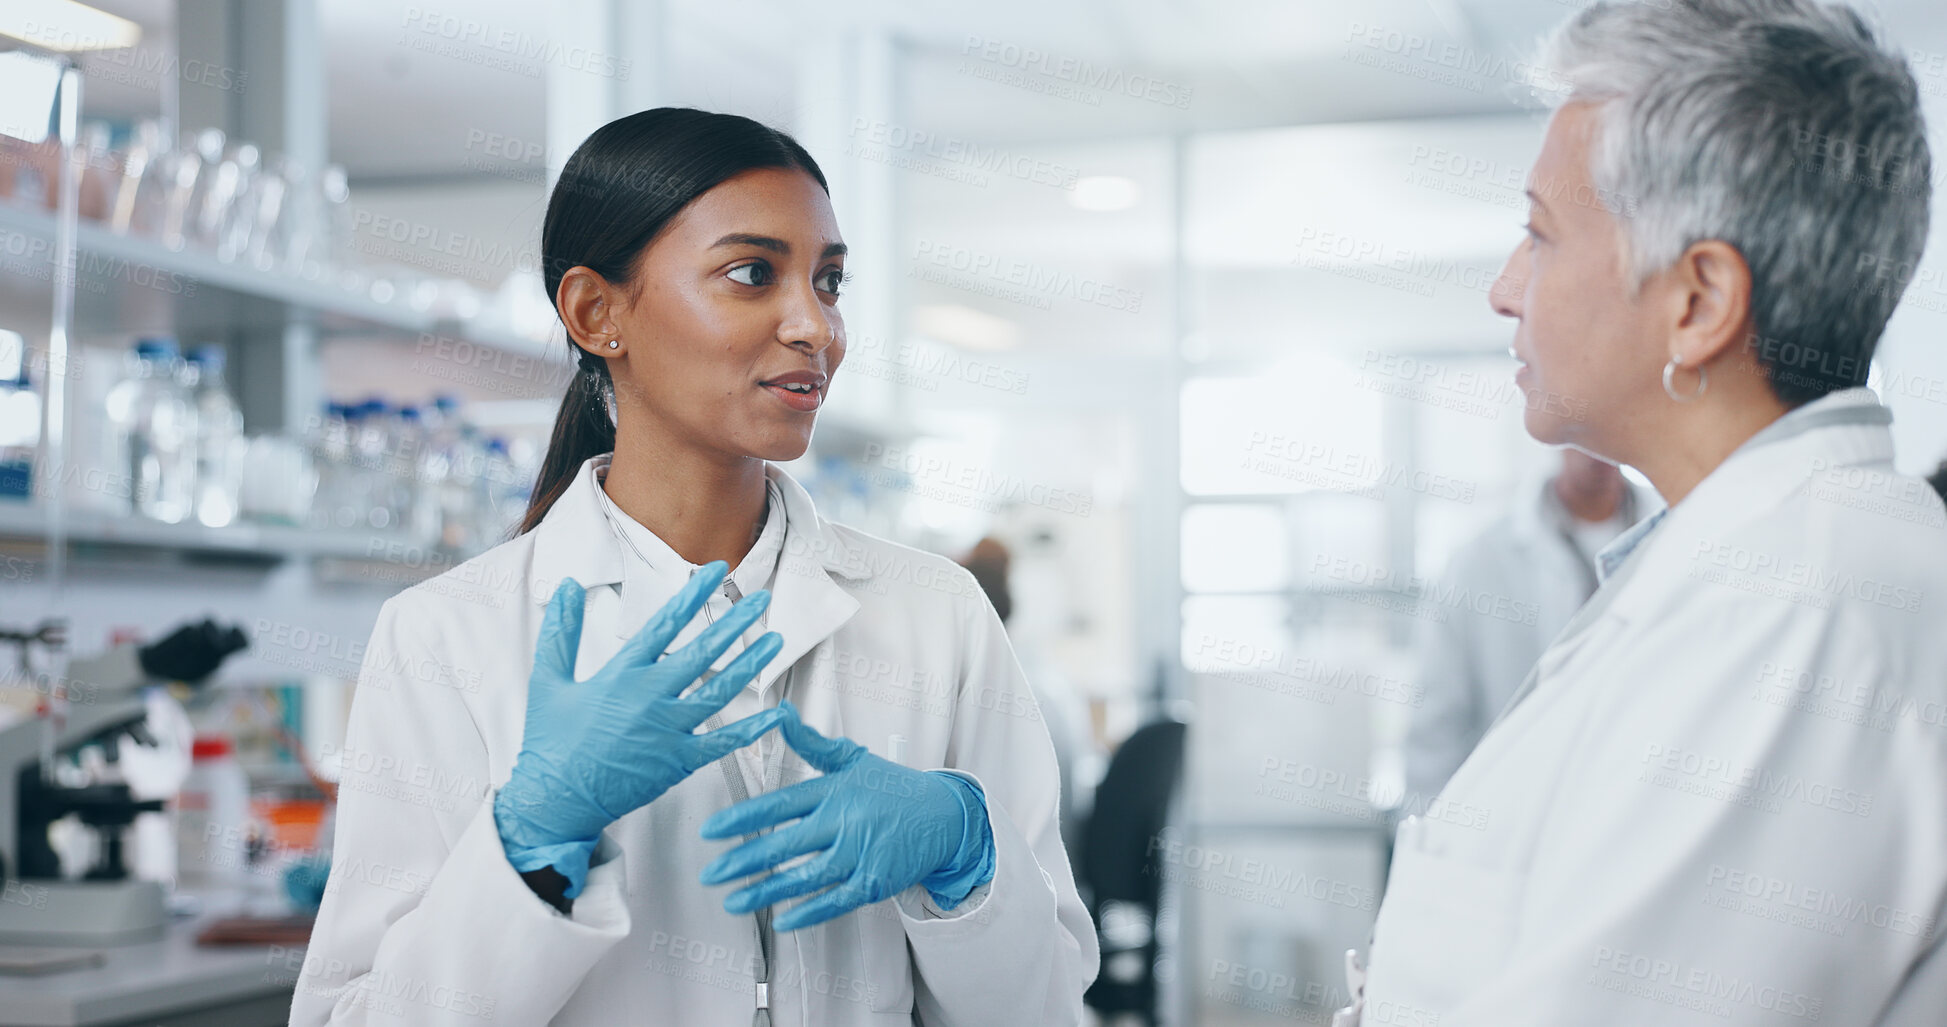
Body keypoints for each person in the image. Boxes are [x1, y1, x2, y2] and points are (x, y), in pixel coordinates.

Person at [291, 108, 1095, 1027]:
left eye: (828, 282)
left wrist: (968, 858)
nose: (815, 327)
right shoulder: (448, 633)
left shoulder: (933, 614)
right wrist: (529, 848)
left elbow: (1044, 1011)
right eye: (753, 273)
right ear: (598, 313)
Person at [1342, 2, 1947, 1024]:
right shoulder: (1753, 571)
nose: (1504, 289)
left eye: (1540, 232)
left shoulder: (1791, 612)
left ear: (1700, 302)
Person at [1403, 448, 1649, 801]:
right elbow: (1437, 723)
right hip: (1515, 808)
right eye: (1580, 434)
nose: (1597, 453)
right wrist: (1423, 830)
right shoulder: (1478, 561)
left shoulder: (1677, 538)